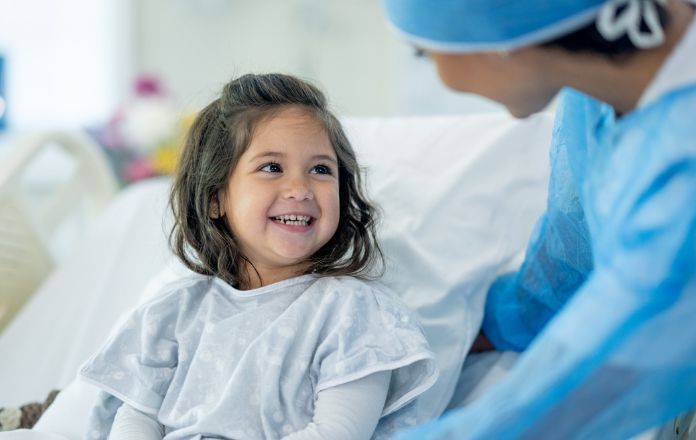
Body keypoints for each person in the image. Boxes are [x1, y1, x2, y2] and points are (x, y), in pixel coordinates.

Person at [383, 0, 696, 438]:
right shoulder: (606, 75)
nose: (437, 73)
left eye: (422, 52)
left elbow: (544, 416)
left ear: (503, 42)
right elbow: (575, 241)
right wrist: (499, 320)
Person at [78, 73, 438, 440]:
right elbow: (137, 419)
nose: (300, 189)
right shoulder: (173, 312)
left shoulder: (353, 314)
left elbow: (336, 433)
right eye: (271, 168)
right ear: (216, 197)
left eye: (320, 169)